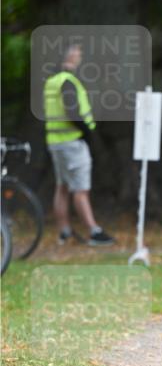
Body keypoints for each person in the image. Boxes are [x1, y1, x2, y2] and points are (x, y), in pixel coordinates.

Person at [43, 44, 114, 246]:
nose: (80, 55)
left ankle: (64, 232)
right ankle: (93, 230)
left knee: (62, 186)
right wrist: (87, 133)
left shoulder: (51, 82)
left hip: (55, 141)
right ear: (70, 56)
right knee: (80, 189)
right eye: (77, 52)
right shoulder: (67, 81)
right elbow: (72, 111)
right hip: (72, 142)